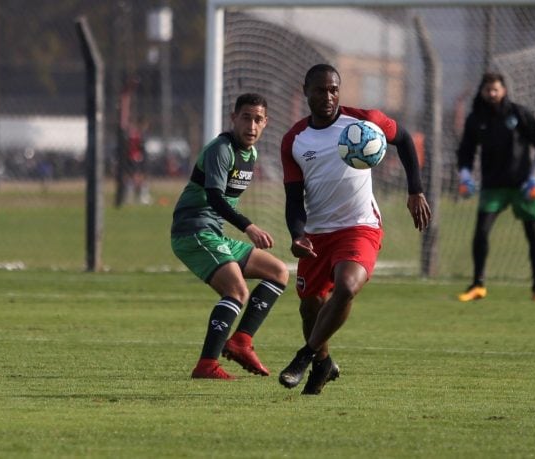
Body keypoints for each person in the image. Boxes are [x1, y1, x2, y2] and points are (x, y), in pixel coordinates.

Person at [278, 64, 432, 395]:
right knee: (310, 307)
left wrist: (415, 190)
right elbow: (293, 199)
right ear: (306, 91)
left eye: (334, 89)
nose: (328, 96)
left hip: (359, 226)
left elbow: (403, 139)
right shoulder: (294, 140)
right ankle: (323, 365)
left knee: (347, 286)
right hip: (317, 233)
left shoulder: (366, 121)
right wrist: (297, 234)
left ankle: (304, 357)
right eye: (320, 90)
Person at [171, 93, 289, 380]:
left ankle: (241, 341)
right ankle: (206, 365)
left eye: (258, 119)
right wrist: (248, 226)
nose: (251, 125)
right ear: (233, 117)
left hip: (213, 233)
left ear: (266, 123)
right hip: (193, 231)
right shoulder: (221, 149)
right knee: (236, 291)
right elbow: (213, 197)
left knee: (278, 272)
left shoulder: (252, 154)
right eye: (246, 117)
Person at [455, 72, 535, 304]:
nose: (492, 94)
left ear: (504, 90)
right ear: (482, 91)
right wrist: (465, 176)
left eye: (496, 89)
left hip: (523, 186)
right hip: (493, 186)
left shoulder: (520, 114)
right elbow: (465, 152)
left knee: (534, 236)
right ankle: (478, 285)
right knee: (481, 233)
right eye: (488, 90)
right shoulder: (475, 118)